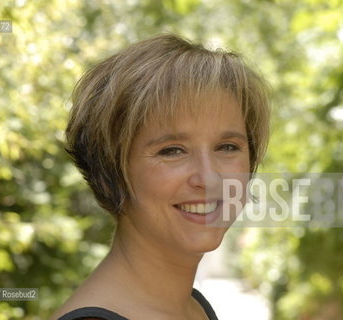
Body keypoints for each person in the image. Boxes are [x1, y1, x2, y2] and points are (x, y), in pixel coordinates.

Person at [52, 34, 270, 320]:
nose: (209, 178)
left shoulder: (193, 309)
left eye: (227, 147)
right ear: (110, 170)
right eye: (172, 151)